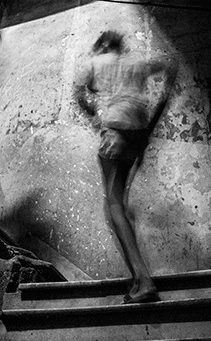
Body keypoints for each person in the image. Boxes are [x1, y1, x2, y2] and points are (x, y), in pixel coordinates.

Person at [74, 30, 178, 304]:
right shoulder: (135, 63)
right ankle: (139, 281)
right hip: (138, 133)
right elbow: (170, 64)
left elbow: (78, 94)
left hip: (116, 131)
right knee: (120, 202)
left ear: (102, 46)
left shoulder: (95, 63)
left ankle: (144, 281)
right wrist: (155, 116)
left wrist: (95, 118)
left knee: (114, 206)